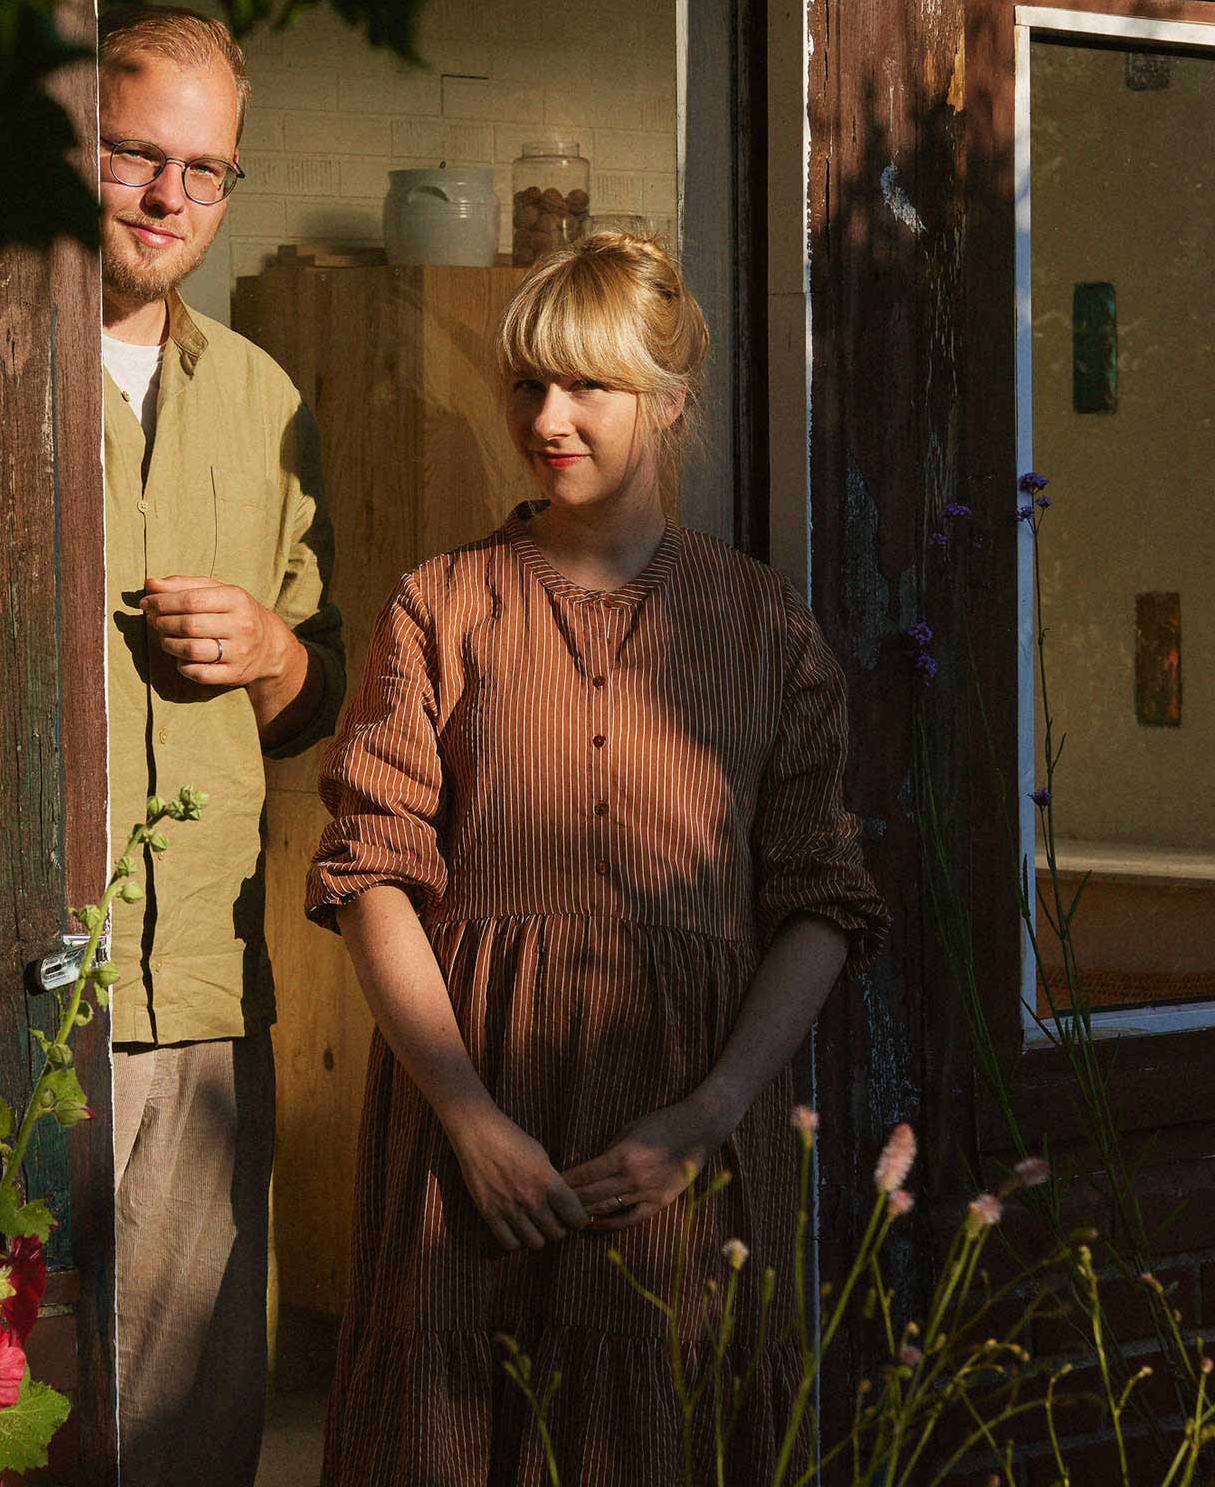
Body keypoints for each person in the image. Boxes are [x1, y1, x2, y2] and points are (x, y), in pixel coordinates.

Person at [306, 232, 887, 1483]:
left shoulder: (762, 624)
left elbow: (821, 903)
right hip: (475, 1133)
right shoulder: (440, 606)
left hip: (677, 1143)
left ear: (670, 406)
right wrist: (466, 1118)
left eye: (590, 387)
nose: (549, 418)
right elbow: (372, 876)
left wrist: (710, 1114)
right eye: (528, 384)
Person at [95, 3, 342, 1487]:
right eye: (135, 155)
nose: (172, 200)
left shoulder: (263, 401)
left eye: (208, 170)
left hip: (197, 982)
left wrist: (271, 649)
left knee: (191, 1433)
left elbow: (316, 703)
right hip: (24, 995)